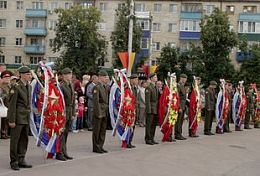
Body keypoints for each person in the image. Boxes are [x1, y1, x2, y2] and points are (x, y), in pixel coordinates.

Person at [8, 66, 32, 170]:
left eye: (30, 74)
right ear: (21, 75)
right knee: (15, 140)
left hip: (26, 117)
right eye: (27, 74)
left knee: (24, 139)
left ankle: (21, 158)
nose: (30, 76)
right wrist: (11, 120)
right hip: (17, 117)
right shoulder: (15, 87)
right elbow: (12, 105)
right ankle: (14, 161)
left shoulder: (29, 86)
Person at [57, 67, 75, 161]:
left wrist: (72, 113)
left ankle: (64, 151)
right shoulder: (61, 86)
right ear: (63, 76)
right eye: (68, 74)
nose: (70, 76)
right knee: (61, 133)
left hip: (69, 111)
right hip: (63, 111)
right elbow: (60, 101)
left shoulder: (70, 85)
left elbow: (72, 101)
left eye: (70, 74)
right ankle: (59, 152)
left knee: (66, 133)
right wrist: (61, 113)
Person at [92, 70, 109, 154]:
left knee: (102, 130)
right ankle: (96, 147)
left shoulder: (105, 87)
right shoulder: (97, 87)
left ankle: (100, 145)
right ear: (100, 77)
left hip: (104, 111)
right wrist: (98, 113)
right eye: (105, 77)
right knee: (97, 130)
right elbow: (96, 102)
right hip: (99, 112)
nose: (107, 78)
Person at [145, 73, 159, 145]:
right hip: (150, 109)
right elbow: (147, 101)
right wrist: (149, 110)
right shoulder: (149, 87)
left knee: (153, 125)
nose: (156, 78)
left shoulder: (155, 87)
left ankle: (152, 138)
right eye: (155, 77)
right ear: (151, 78)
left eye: (156, 77)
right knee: (149, 125)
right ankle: (148, 139)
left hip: (155, 109)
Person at [175, 74, 188, 140]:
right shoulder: (178, 85)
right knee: (178, 121)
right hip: (180, 106)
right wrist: (179, 107)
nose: (186, 80)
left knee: (181, 120)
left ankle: (179, 133)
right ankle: (177, 134)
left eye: (186, 78)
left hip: (183, 106)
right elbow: (178, 97)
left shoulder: (182, 85)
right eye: (185, 78)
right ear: (181, 78)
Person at [0, 70, 12, 139]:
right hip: (2, 104)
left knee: (6, 119)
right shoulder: (1, 86)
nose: (8, 78)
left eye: (9, 77)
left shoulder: (9, 86)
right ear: (2, 78)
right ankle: (2, 133)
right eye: (6, 77)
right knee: (2, 119)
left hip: (8, 104)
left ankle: (5, 132)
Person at [128, 73, 139, 148]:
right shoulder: (129, 88)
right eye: (136, 79)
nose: (137, 81)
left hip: (134, 109)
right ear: (132, 80)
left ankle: (130, 141)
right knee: (129, 126)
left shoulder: (134, 88)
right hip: (129, 110)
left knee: (133, 126)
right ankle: (127, 141)